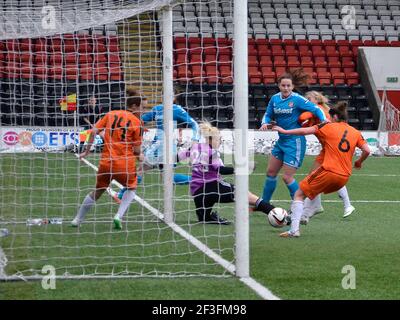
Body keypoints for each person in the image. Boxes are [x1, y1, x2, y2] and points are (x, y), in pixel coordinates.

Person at [272, 101, 370, 237]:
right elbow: (367, 150)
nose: (329, 119)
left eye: (330, 117)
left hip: (329, 171)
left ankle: (293, 230)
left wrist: (284, 131)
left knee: (299, 194)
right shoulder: (355, 132)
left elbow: (304, 131)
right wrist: (359, 162)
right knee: (312, 187)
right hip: (344, 178)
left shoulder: (327, 126)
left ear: (335, 117)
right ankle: (308, 212)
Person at [71, 89, 145, 230]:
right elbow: (136, 150)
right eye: (143, 107)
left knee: (97, 191)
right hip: (125, 165)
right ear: (134, 106)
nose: (143, 111)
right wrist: (140, 156)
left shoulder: (110, 114)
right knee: (132, 187)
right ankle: (118, 216)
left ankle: (77, 219)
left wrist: (86, 152)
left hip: (106, 163)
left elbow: (93, 132)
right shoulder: (137, 122)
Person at [179, 122, 277, 225]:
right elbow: (220, 170)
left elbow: (178, 156)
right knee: (244, 194)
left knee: (204, 218)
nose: (220, 142)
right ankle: (275, 212)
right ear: (211, 139)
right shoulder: (212, 153)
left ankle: (207, 216)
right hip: (211, 188)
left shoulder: (195, 147)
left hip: (197, 193)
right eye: (219, 139)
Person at [259, 69, 328, 203]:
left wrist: (324, 120)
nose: (286, 88)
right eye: (283, 85)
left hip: (295, 142)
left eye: (288, 86)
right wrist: (265, 122)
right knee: (271, 173)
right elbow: (268, 114)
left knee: (287, 177)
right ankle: (264, 205)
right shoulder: (275, 99)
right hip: (282, 141)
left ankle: (300, 205)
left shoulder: (297, 99)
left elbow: (316, 109)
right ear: (279, 85)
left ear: (292, 86)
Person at [300, 91, 355, 224]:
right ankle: (315, 208)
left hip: (331, 149)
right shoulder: (322, 109)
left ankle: (310, 210)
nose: (306, 101)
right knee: (315, 175)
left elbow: (303, 118)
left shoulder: (318, 110)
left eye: (309, 98)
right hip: (327, 148)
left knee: (321, 176)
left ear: (316, 99)